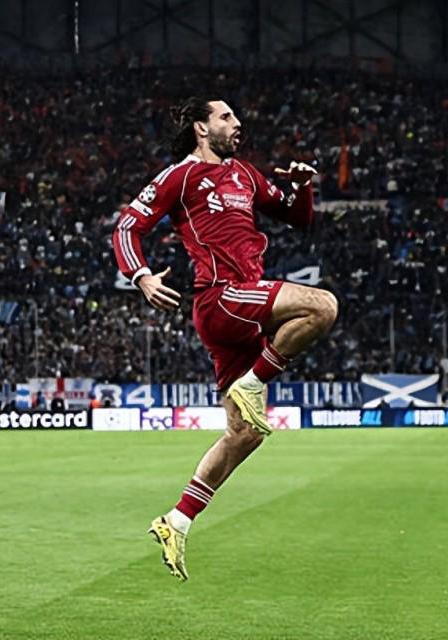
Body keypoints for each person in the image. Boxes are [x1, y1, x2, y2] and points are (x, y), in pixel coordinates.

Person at [112, 96, 338, 581]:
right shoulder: (181, 176)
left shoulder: (245, 174)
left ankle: (176, 521)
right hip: (221, 297)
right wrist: (142, 276)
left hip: (242, 304)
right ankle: (253, 382)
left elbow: (298, 218)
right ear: (201, 127)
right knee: (322, 306)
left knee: (245, 433)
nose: (238, 123)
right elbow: (128, 226)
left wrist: (301, 188)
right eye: (226, 117)